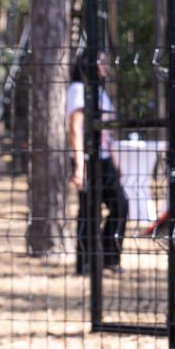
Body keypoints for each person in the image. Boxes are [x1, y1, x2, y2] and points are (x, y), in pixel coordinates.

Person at [67, 49, 129, 275]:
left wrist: (114, 160)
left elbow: (105, 131)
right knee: (89, 211)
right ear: (89, 64)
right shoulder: (78, 89)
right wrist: (79, 167)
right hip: (86, 159)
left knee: (121, 205)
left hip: (104, 159)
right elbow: (75, 129)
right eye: (101, 62)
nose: (105, 67)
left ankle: (109, 257)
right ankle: (84, 263)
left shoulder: (99, 91)